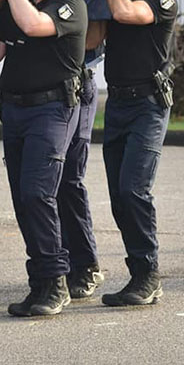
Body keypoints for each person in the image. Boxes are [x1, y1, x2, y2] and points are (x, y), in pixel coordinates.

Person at [0, 0, 88, 317]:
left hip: (52, 110)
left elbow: (34, 26)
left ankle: (57, 282)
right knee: (22, 200)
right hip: (16, 110)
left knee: (38, 195)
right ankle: (40, 281)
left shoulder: (70, 4)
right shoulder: (15, 5)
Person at [99, 0, 178, 306]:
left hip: (148, 104)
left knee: (134, 190)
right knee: (118, 195)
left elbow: (128, 14)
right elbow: (100, 31)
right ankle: (137, 274)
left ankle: (148, 275)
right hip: (117, 103)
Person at [58, 25, 106, 300]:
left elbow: (94, 37)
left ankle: (85, 264)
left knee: (69, 180)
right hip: (40, 85)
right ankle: (59, 265)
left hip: (76, 82)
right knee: (44, 186)